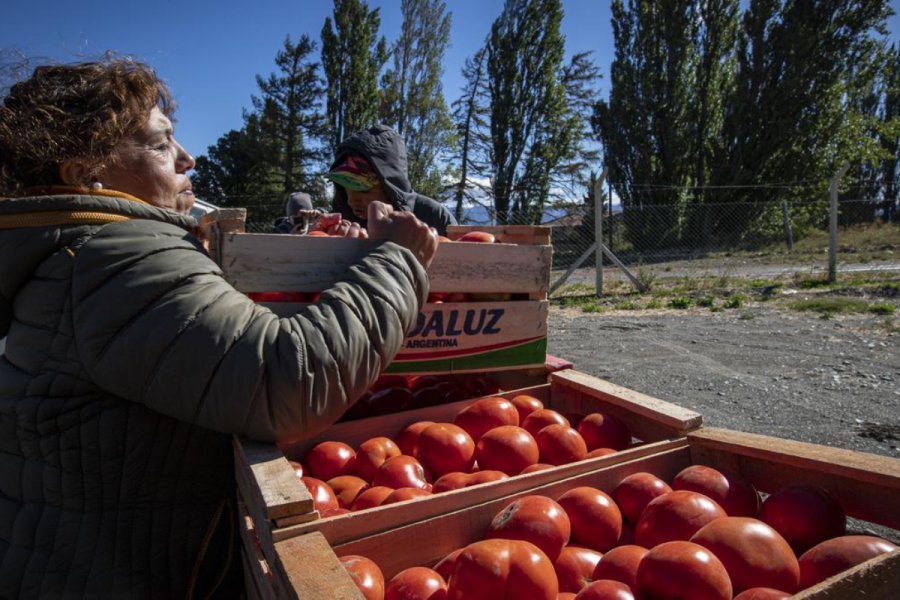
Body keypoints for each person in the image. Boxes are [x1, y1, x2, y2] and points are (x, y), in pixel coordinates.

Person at [0, 59, 437, 599]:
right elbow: (287, 380)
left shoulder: (77, 254)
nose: (187, 157)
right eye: (161, 145)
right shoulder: (113, 259)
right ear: (84, 171)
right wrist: (398, 259)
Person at [328, 124, 457, 236]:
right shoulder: (340, 222)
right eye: (345, 187)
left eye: (363, 188)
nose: (351, 200)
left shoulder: (434, 217)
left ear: (389, 185)